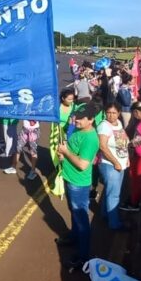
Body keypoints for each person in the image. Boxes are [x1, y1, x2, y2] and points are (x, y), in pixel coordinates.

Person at [55, 104, 100, 269]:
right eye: (76, 117)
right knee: (74, 212)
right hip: (69, 177)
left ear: (91, 120)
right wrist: (63, 154)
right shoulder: (78, 130)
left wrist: (66, 153)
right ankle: (74, 238)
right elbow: (72, 150)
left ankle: (83, 256)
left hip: (78, 183)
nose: (77, 120)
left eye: (81, 118)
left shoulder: (90, 138)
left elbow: (82, 164)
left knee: (81, 219)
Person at [97, 103, 129, 230]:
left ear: (119, 113)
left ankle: (105, 214)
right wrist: (115, 162)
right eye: (108, 112)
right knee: (114, 194)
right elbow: (102, 146)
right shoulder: (104, 126)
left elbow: (122, 142)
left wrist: (126, 159)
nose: (111, 115)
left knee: (110, 191)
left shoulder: (119, 123)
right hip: (109, 164)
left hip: (120, 164)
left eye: (114, 113)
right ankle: (114, 223)